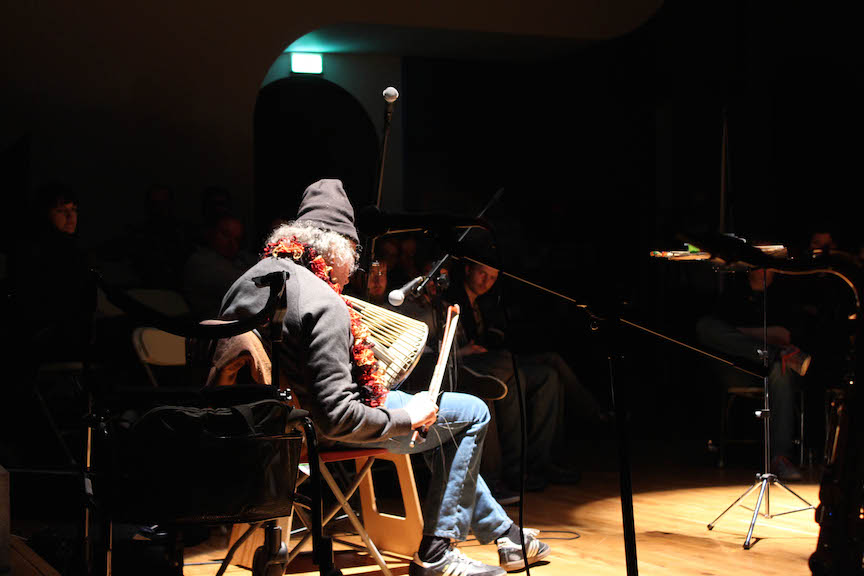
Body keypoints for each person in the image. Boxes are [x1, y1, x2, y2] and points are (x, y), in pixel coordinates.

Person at [220, 179, 551, 576]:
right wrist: (407, 417)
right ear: (337, 250)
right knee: (471, 412)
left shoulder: (247, 281)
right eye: (352, 260)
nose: (350, 274)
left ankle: (504, 534)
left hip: (258, 428)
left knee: (443, 422)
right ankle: (438, 553)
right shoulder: (322, 301)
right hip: (315, 431)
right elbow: (338, 416)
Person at [444, 260, 591, 495]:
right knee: (512, 372)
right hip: (471, 365)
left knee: (547, 376)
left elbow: (498, 334)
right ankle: (513, 470)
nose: (486, 282)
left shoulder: (486, 302)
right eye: (483, 274)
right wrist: (469, 350)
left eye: (492, 277)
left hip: (491, 360)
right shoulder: (452, 298)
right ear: (469, 270)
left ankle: (539, 462)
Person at [696, 268, 811, 480]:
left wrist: (738, 332)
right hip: (741, 369)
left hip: (772, 373)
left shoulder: (782, 296)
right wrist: (765, 341)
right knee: (705, 327)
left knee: (781, 371)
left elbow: (783, 334)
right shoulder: (733, 294)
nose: (765, 270)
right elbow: (714, 332)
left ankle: (780, 458)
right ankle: (775, 354)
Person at [183, 213, 256, 319]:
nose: (231, 243)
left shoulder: (240, 257)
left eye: (237, 239)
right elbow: (243, 284)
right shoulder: (200, 261)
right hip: (213, 324)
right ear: (210, 233)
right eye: (225, 235)